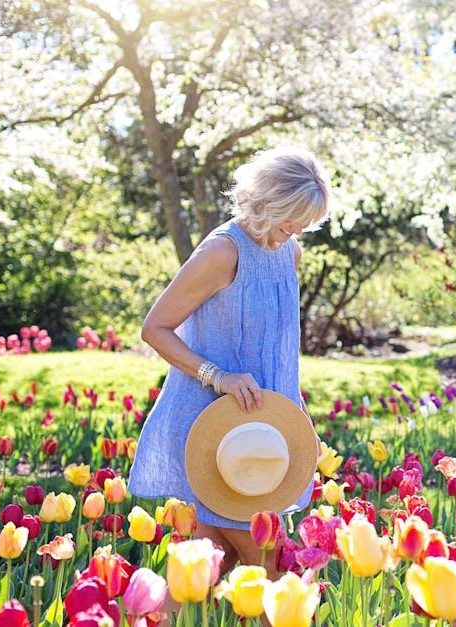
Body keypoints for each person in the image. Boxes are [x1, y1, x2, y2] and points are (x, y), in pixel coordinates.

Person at [128, 146, 331, 577]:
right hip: (219, 431)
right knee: (274, 571)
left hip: (263, 430)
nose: (290, 236)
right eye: (286, 223)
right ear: (264, 204)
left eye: (301, 227)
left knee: (206, 568)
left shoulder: (289, 253)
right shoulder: (223, 253)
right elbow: (155, 328)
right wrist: (216, 376)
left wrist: (300, 420)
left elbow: (279, 353)